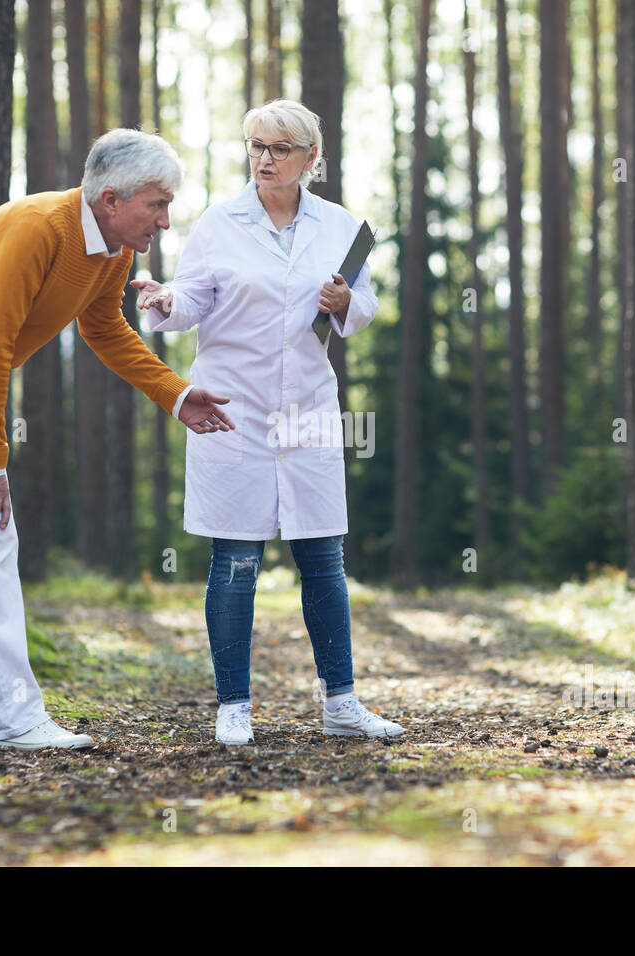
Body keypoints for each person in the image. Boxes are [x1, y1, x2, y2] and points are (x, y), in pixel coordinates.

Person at [0, 129, 234, 750]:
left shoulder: (115, 251)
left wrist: (175, 393)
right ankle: (15, 718)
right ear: (111, 199)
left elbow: (106, 332)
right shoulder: (40, 225)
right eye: (158, 204)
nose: (166, 222)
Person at [132, 100, 403, 746]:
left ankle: (341, 701)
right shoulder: (218, 225)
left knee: (323, 556)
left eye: (280, 148)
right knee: (235, 559)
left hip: (307, 410)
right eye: (256, 145)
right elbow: (190, 302)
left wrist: (346, 304)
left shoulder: (342, 227)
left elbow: (360, 304)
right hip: (235, 411)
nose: (265, 158)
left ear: (311, 158)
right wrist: (166, 301)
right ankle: (234, 706)